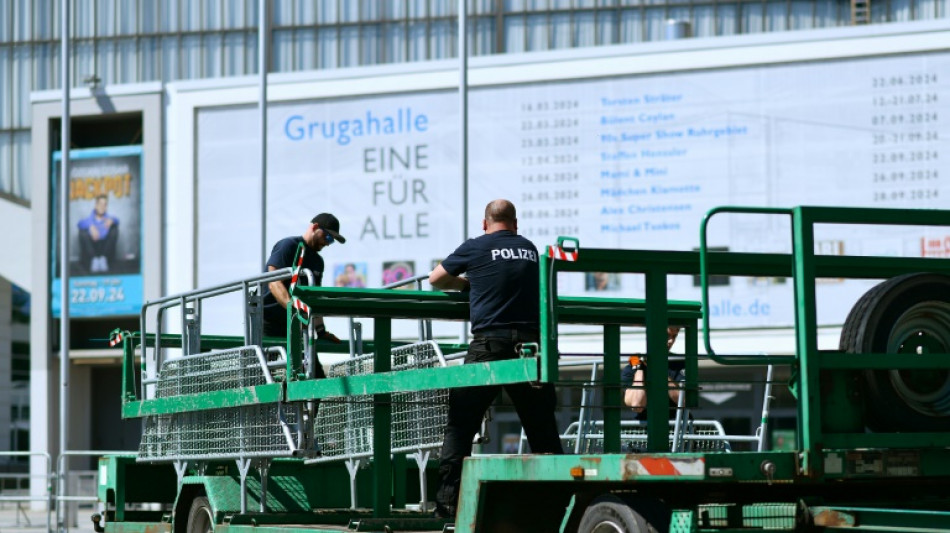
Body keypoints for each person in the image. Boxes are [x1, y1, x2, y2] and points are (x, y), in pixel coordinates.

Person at [429, 199, 563, 519]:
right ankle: (557, 505)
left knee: (461, 426)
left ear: (484, 223)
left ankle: (448, 505)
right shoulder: (530, 249)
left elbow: (436, 280)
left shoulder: (477, 246)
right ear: (515, 224)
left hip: (489, 345)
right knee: (542, 430)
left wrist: (467, 285)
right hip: (531, 349)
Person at [262, 213, 345, 348]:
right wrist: (294, 310)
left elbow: (313, 297)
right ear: (315, 227)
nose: (328, 243)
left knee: (312, 368)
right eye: (328, 237)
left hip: (295, 324)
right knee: (265, 367)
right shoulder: (288, 245)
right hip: (269, 321)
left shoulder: (318, 261)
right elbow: (274, 282)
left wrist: (321, 332)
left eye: (331, 241)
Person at [621, 326, 686, 420]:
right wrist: (640, 369)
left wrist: (657, 369)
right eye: (667, 335)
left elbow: (684, 401)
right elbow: (637, 405)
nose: (671, 341)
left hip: (677, 428)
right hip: (647, 428)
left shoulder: (679, 363)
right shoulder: (633, 367)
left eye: (674, 336)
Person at [77, 194, 119, 273]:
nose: (102, 206)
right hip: (93, 247)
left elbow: (117, 220)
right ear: (96, 206)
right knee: (82, 232)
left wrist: (112, 221)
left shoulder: (109, 218)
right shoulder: (89, 219)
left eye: (105, 204)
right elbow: (79, 224)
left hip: (104, 247)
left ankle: (103, 259)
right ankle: (94, 260)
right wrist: (91, 227)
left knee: (114, 229)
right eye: (100, 204)